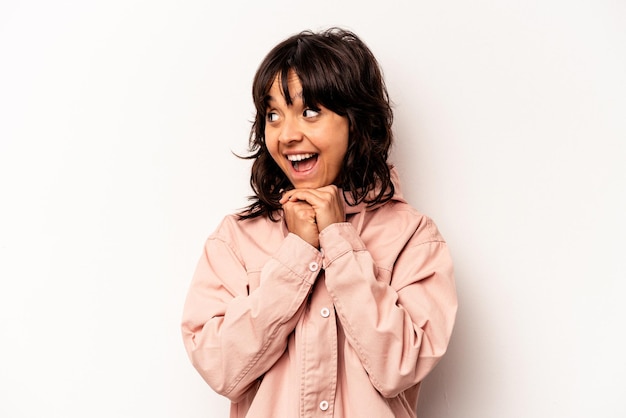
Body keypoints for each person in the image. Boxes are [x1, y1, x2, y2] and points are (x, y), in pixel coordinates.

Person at [181, 27, 457, 418]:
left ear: (356, 121)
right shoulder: (236, 240)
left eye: (310, 112)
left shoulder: (413, 237)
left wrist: (338, 241)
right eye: (273, 114)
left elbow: (399, 367)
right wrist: (298, 253)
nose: (288, 134)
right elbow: (220, 368)